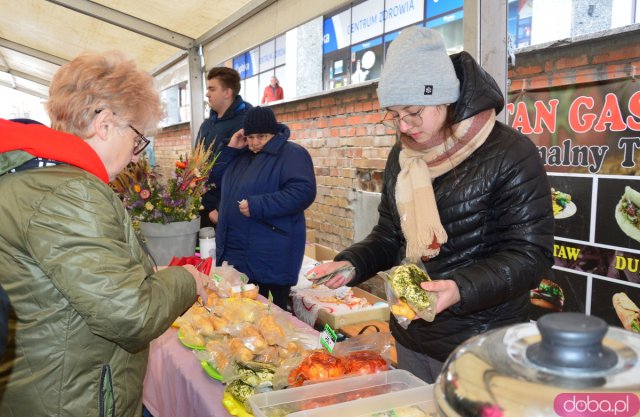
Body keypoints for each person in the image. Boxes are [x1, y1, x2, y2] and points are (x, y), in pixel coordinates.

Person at [307, 26, 554, 383]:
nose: (404, 126)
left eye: (412, 111)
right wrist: (352, 263)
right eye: (393, 114)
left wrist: (459, 289)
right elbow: (390, 235)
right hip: (411, 331)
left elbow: (530, 255)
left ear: (444, 98)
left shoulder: (510, 154)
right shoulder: (404, 156)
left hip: (479, 342)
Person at [0, 51, 210, 417]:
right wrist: (186, 280)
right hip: (70, 399)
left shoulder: (36, 177)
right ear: (106, 123)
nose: (134, 157)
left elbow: (65, 282)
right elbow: (132, 315)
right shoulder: (69, 193)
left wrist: (143, 275)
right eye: (138, 139)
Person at [215, 106, 316, 310]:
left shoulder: (292, 154)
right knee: (238, 319)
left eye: (262, 136)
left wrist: (258, 205)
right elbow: (214, 181)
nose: (255, 142)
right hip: (237, 258)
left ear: (275, 132)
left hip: (270, 260)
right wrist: (230, 150)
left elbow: (303, 192)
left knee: (269, 319)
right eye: (250, 136)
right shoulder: (240, 157)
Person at [196, 67, 253, 228]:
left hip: (222, 212)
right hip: (201, 206)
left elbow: (245, 173)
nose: (207, 94)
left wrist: (220, 206)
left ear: (227, 93)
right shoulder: (206, 125)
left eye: (212, 89)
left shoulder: (244, 124)